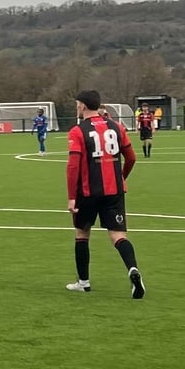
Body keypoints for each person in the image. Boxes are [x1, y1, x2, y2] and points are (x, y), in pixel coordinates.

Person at [65, 90, 144, 299]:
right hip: (114, 191)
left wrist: (72, 197)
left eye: (77, 104)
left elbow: (73, 166)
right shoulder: (117, 127)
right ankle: (133, 270)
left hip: (87, 192)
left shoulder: (77, 131)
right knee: (118, 236)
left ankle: (83, 282)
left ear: (82, 106)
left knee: (82, 234)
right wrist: (121, 177)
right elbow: (132, 157)